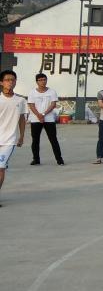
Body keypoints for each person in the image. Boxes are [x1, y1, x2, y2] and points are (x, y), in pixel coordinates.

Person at [0, 70, 28, 205]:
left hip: (9, 140)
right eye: (7, 80)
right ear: (1, 82)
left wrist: (21, 136)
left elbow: (22, 119)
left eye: (13, 80)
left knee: (1, 168)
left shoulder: (21, 100)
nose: (10, 82)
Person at [28, 73, 64, 166]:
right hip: (35, 119)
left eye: (44, 79)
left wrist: (43, 114)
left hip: (49, 119)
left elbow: (53, 104)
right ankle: (36, 159)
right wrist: (38, 115)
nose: (43, 81)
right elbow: (31, 105)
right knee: (35, 140)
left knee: (53, 139)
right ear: (37, 82)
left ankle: (59, 160)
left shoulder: (52, 92)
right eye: (40, 80)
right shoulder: (32, 92)